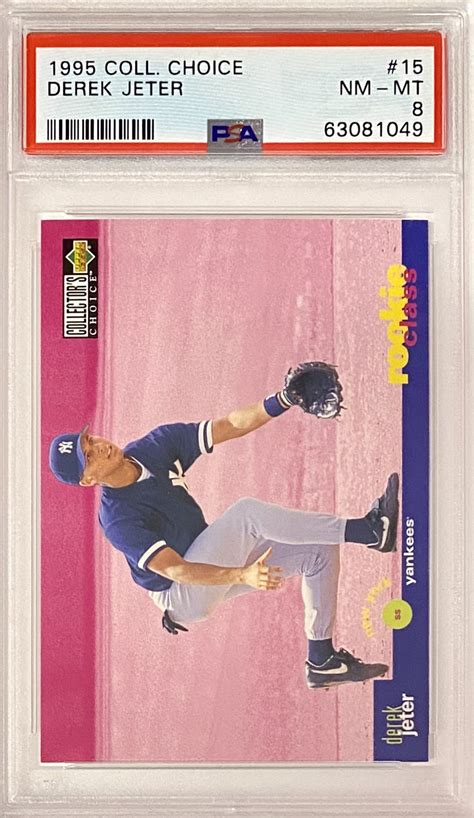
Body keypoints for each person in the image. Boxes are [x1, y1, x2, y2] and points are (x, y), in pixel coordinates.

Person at [48, 381, 399, 689]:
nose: (98, 447)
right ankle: (368, 530)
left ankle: (322, 660)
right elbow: (176, 569)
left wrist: (284, 399)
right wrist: (241, 575)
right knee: (246, 514)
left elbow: (229, 425)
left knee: (318, 551)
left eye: (90, 440)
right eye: (89, 456)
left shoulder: (153, 447)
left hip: (202, 561)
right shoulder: (117, 518)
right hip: (181, 593)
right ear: (88, 480)